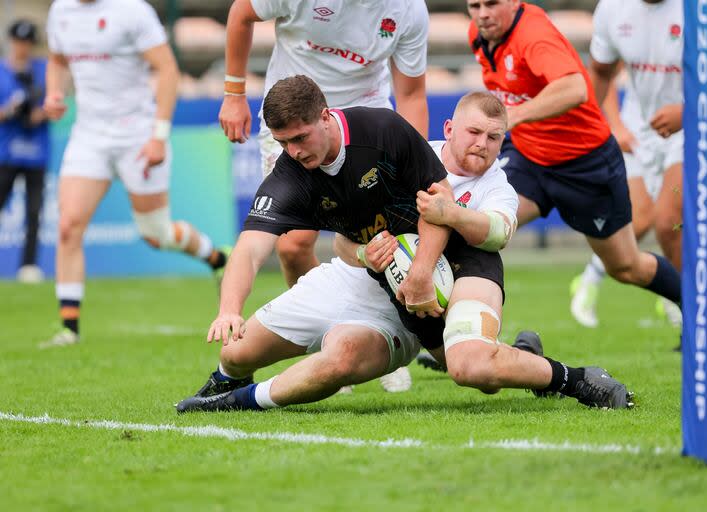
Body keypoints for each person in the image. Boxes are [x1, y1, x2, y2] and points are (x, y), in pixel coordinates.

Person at [176, 83, 632, 413]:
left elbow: (494, 231)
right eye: (473, 132)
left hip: (462, 267)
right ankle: (226, 382)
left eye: (493, 137)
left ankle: (575, 378)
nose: (482, 145)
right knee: (235, 352)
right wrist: (229, 308)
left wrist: (424, 264)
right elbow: (266, 245)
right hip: (379, 277)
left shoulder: (400, 141)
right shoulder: (304, 172)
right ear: (450, 128)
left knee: (471, 367)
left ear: (325, 116)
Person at [220, 0, 430, 391]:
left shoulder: (408, 10)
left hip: (366, 122)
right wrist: (234, 93)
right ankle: (335, 339)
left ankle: (383, 334)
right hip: (294, 124)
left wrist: (412, 160)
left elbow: (412, 94)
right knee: (292, 246)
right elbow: (241, 13)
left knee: (378, 240)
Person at [466, 0, 681, 322]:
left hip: (585, 166)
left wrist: (514, 115)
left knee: (626, 266)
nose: (483, 13)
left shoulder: (534, 36)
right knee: (477, 232)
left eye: (492, 4)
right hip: (529, 158)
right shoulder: (480, 34)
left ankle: (698, 311)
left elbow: (576, 87)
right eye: (474, 5)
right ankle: (462, 339)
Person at [41, 0, 229, 347]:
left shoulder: (131, 10)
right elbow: (56, 60)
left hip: (138, 136)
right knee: (68, 226)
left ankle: (217, 257)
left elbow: (168, 69)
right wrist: (53, 93)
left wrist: (158, 137)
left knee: (156, 233)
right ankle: (69, 328)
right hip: (89, 136)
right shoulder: (60, 10)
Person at [569, 0, 683, 328]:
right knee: (638, 220)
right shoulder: (613, 9)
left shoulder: (698, 10)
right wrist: (613, 126)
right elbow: (601, 73)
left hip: (690, 126)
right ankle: (590, 282)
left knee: (668, 222)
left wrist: (686, 113)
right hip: (638, 128)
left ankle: (693, 311)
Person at [0, 20, 49, 283]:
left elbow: (54, 104)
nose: (23, 47)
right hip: (6, 153)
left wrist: (38, 114)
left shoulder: (43, 71)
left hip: (36, 153)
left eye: (28, 42)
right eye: (19, 42)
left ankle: (28, 266)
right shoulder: (1, 71)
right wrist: (11, 110)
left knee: (34, 212)